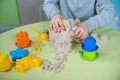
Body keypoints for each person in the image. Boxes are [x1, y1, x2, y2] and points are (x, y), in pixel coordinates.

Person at [42, 0, 115, 40]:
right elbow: (48, 2)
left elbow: (109, 12)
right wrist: (55, 14)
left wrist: (88, 25)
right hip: (64, 30)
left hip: (88, 32)